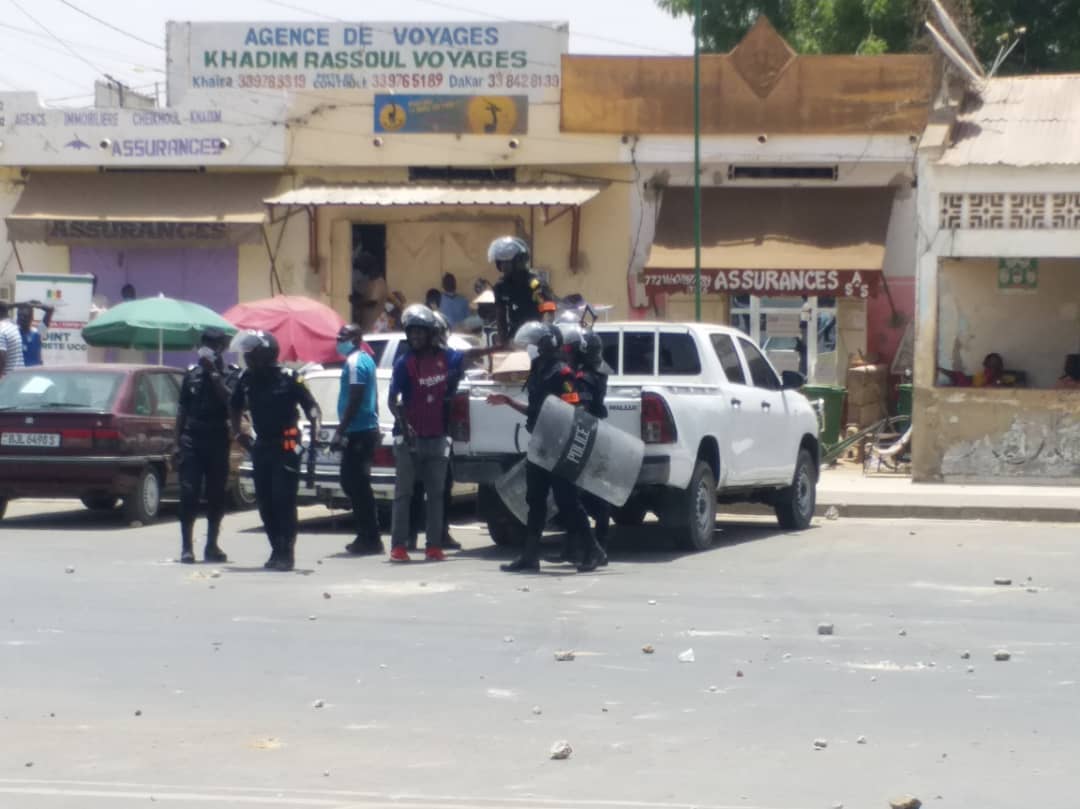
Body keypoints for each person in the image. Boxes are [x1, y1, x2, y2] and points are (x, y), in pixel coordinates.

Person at [487, 321, 607, 574]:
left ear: (547, 345)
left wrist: (564, 446)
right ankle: (530, 556)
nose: (530, 349)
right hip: (540, 444)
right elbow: (535, 410)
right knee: (535, 500)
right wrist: (508, 401)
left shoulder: (562, 374)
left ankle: (593, 549)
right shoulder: (538, 371)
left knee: (567, 500)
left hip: (558, 446)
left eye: (535, 344)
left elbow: (573, 410)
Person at [387, 305, 496, 562]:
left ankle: (434, 546)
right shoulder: (404, 363)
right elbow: (393, 400)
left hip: (437, 437)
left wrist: (496, 348)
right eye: (411, 332)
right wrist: (405, 425)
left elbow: (470, 356)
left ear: (432, 334)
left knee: (436, 495)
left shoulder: (447, 359)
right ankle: (399, 546)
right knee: (404, 494)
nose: (415, 337)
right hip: (408, 441)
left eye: (420, 332)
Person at [229, 330, 321, 572]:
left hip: (287, 445)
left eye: (252, 354)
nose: (247, 358)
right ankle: (275, 548)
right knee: (265, 501)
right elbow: (234, 406)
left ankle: (286, 552)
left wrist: (315, 431)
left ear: (266, 354)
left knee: (283, 499)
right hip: (262, 445)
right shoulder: (246, 378)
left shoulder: (290, 377)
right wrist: (238, 433)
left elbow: (312, 408)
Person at [175, 327, 237, 565]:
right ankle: (186, 547)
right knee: (188, 492)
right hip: (192, 438)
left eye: (211, 345)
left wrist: (214, 374)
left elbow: (231, 402)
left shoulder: (230, 374)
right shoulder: (191, 374)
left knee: (216, 494)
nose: (206, 349)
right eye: (204, 344)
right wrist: (176, 443)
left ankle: (212, 545)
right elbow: (182, 409)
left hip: (217, 438)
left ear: (221, 348)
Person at [331, 324, 384, 557]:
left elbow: (356, 396)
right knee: (354, 483)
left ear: (356, 338)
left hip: (358, 431)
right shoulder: (364, 360)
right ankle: (367, 534)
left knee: (356, 484)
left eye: (343, 337)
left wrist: (340, 431)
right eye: (338, 337)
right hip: (363, 429)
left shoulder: (355, 362)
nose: (339, 340)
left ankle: (370, 537)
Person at [489, 236, 553, 346]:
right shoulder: (501, 286)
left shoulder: (534, 284)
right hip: (515, 338)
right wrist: (502, 343)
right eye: (500, 263)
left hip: (537, 338)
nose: (503, 266)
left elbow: (548, 311)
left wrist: (545, 336)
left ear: (519, 261)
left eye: (506, 262)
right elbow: (500, 317)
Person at [938, 352, 1016, 387]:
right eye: (991, 362)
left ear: (1000, 365)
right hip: (971, 390)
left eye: (995, 362)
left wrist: (998, 381)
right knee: (959, 375)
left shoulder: (1003, 377)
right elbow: (968, 379)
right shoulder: (980, 375)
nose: (993, 364)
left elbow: (1008, 381)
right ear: (986, 364)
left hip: (982, 394)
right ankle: (939, 369)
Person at [16, 302, 54, 367]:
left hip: (35, 371)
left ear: (32, 318)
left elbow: (50, 309)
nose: (22, 318)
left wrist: (33, 305)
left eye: (25, 316)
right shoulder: (12, 333)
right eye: (19, 316)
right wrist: (15, 305)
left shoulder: (37, 333)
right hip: (18, 371)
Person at [0, 302, 24, 379]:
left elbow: (1, 359)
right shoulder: (14, 327)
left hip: (7, 379)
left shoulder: (1, 329)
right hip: (19, 376)